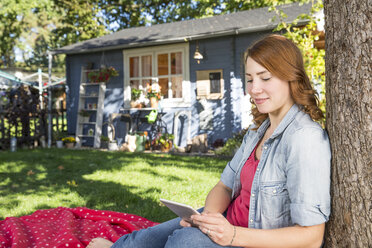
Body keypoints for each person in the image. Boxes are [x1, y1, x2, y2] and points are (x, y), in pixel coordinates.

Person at [87, 34, 331, 248]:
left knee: (182, 241)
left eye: (265, 78)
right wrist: (207, 220)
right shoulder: (259, 129)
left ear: (291, 77)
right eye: (249, 79)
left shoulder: (304, 140)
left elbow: (311, 237)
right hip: (225, 225)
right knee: (150, 237)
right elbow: (225, 186)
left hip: (247, 239)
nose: (254, 89)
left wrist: (231, 235)